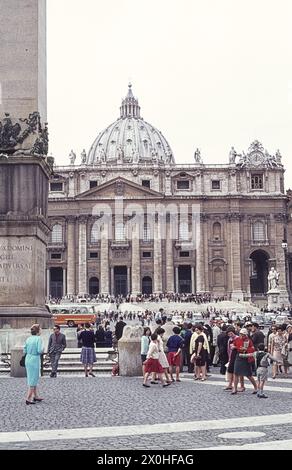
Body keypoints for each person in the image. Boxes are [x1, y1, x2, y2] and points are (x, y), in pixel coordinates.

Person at [231, 328, 258, 395]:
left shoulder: (249, 340)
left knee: (248, 374)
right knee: (236, 373)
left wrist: (246, 349)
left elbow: (252, 349)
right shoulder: (237, 339)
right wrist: (233, 346)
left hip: (246, 357)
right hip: (239, 356)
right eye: (241, 334)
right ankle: (235, 388)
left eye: (243, 335)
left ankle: (256, 387)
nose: (242, 336)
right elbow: (233, 344)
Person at [23, 324, 44, 405]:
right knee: (33, 378)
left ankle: (35, 396)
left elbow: (24, 350)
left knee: (32, 377)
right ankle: (28, 398)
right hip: (35, 359)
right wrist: (43, 349)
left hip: (28, 358)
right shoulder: (39, 339)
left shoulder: (28, 338)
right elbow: (39, 350)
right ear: (38, 331)